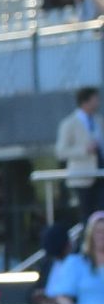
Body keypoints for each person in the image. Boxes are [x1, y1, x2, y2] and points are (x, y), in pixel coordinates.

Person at [54, 87, 103, 217]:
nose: (98, 102)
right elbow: (61, 151)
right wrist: (84, 150)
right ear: (85, 102)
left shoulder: (99, 121)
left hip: (100, 174)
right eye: (95, 99)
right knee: (87, 214)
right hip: (82, 177)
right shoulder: (69, 123)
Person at [45, 215, 104, 304]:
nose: (101, 236)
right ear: (90, 235)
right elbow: (61, 295)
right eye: (98, 232)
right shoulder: (76, 263)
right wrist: (64, 302)